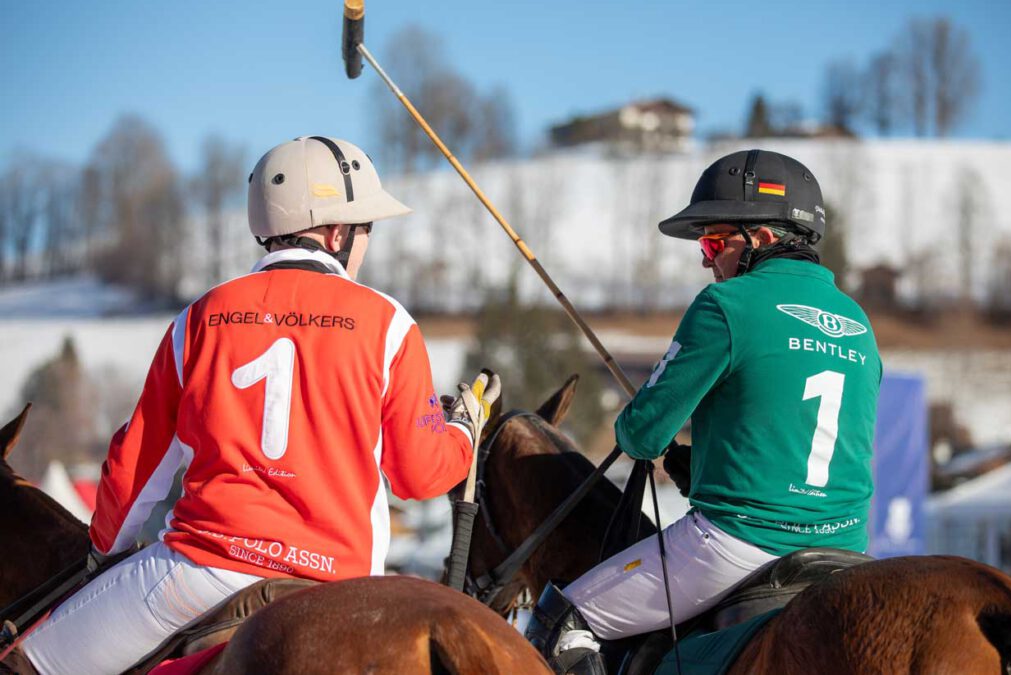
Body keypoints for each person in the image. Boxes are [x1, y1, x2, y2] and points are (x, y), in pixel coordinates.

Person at [14, 136, 500, 675]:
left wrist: (104, 552)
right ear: (338, 232)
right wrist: (463, 430)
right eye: (366, 231)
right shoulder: (389, 323)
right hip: (341, 582)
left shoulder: (201, 316)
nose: (364, 245)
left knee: (29, 662)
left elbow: (135, 471)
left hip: (200, 572)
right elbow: (420, 475)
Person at [526, 150, 882, 674]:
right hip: (847, 548)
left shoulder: (727, 305)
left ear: (761, 238)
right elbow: (796, 434)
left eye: (714, 241)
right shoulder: (859, 322)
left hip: (740, 545)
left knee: (559, 623)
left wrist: (638, 424)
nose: (705, 258)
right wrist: (709, 466)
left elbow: (642, 435)